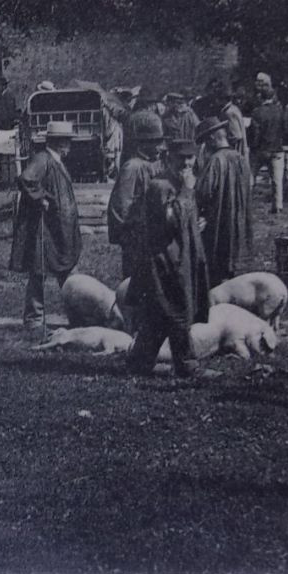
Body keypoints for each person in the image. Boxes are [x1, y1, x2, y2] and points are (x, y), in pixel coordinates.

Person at [122, 139, 212, 377]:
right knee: (177, 309)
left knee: (159, 313)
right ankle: (187, 366)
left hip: (179, 257)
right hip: (165, 261)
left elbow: (182, 219)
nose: (186, 162)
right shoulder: (162, 186)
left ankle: (139, 362)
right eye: (180, 157)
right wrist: (188, 191)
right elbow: (169, 221)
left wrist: (196, 224)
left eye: (190, 157)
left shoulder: (177, 183)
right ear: (168, 158)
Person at [9, 120, 82, 338]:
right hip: (46, 229)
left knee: (66, 269)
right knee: (39, 270)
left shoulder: (55, 160)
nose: (69, 145)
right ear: (59, 142)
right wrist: (41, 198)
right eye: (67, 141)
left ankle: (77, 316)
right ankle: (34, 318)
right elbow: (26, 179)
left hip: (58, 228)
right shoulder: (43, 159)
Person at [194, 116, 254, 282]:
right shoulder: (240, 158)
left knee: (218, 261)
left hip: (219, 220)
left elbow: (202, 192)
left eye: (206, 141)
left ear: (212, 138)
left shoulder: (215, 161)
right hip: (239, 217)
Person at [108, 112, 163, 281]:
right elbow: (121, 206)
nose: (159, 147)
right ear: (143, 144)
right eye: (155, 142)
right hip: (136, 236)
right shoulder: (132, 167)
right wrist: (128, 234)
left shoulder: (153, 165)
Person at [248, 73, 285, 176]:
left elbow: (256, 132)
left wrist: (253, 146)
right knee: (278, 185)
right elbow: (285, 129)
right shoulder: (280, 110)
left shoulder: (257, 111)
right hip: (277, 149)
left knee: (251, 178)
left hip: (261, 149)